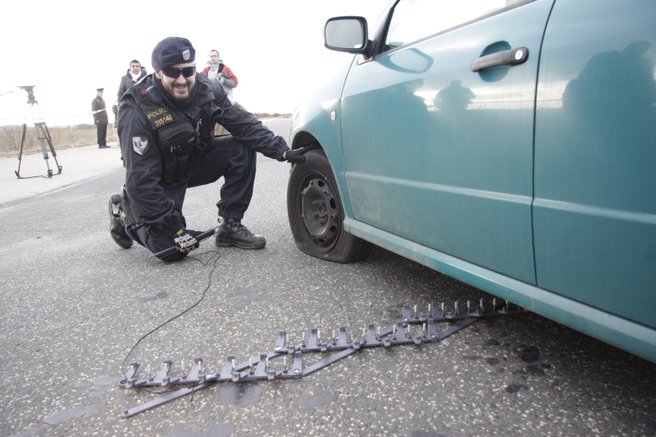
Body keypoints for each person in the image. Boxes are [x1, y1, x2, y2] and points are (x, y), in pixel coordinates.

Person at [109, 36, 304, 262]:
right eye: (173, 73)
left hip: (192, 162)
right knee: (172, 250)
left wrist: (281, 150)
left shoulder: (207, 88)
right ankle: (123, 212)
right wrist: (173, 227)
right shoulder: (137, 107)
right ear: (158, 72)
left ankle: (229, 226)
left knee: (240, 148)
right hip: (158, 178)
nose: (182, 80)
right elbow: (141, 179)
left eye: (188, 71)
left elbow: (242, 122)